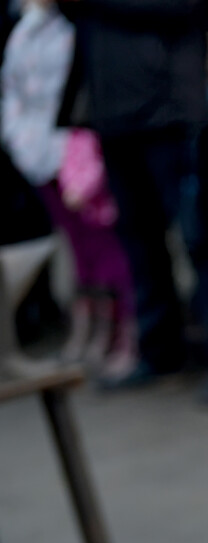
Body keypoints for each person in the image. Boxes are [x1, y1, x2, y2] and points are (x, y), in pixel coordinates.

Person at [58, 0, 208, 400]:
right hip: (112, 111)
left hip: (172, 109)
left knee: (202, 236)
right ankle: (158, 349)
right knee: (136, 238)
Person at [0, 0, 136, 379]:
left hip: (76, 153)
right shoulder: (23, 34)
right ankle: (89, 327)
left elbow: (72, 93)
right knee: (78, 247)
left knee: (104, 243)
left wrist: (71, 154)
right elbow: (14, 93)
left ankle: (122, 327)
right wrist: (22, 142)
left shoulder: (72, 31)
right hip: (36, 153)